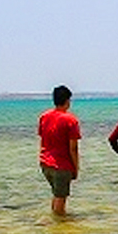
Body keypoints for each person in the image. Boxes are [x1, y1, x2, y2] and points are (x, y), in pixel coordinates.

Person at [38, 85, 82, 216]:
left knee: (56, 194)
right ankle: (59, 229)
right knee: (61, 198)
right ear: (68, 100)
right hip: (61, 165)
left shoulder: (44, 116)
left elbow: (43, 138)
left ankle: (54, 225)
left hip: (45, 162)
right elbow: (73, 148)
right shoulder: (70, 120)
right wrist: (76, 168)